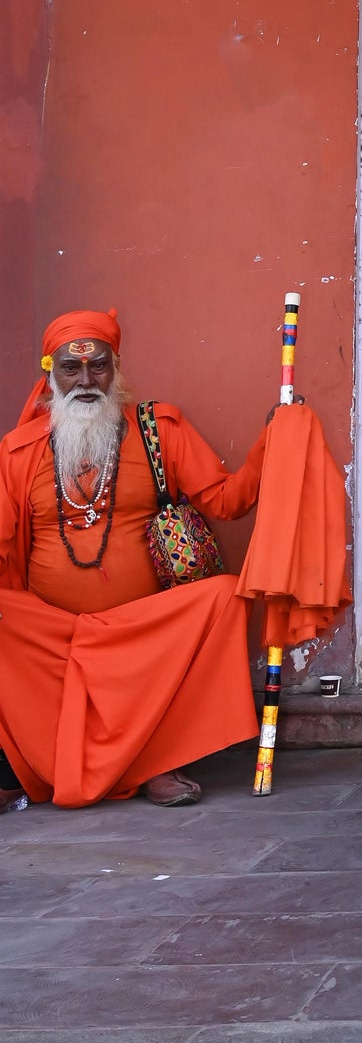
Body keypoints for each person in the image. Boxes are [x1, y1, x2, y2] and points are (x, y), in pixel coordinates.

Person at [0, 310, 267, 809]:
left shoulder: (157, 429)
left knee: (225, 596)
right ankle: (17, 765)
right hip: (53, 636)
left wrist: (274, 441)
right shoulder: (18, 453)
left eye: (98, 367)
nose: (85, 381)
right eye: (70, 370)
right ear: (49, 374)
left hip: (142, 632)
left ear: (116, 368)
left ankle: (159, 761)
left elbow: (227, 501)